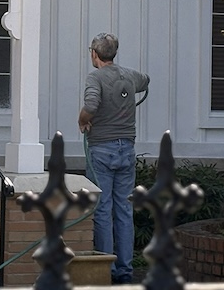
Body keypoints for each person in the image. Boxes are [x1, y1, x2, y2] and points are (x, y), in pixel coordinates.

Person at [78, 32, 149, 285]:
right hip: (126, 150)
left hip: (101, 150)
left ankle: (105, 270)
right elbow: (146, 81)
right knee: (124, 210)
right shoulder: (129, 75)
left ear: (94, 54)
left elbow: (92, 103)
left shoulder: (94, 77)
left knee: (102, 210)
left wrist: (83, 119)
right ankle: (125, 271)